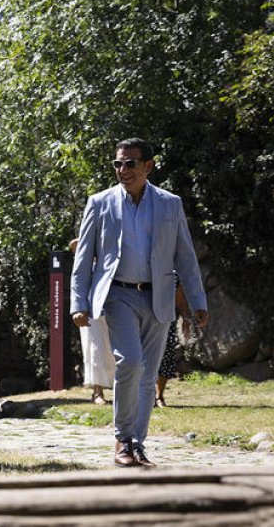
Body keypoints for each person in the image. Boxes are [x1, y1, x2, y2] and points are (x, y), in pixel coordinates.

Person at [71, 138, 209, 468]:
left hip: (158, 297)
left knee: (147, 375)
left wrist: (196, 300)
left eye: (130, 163)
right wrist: (79, 301)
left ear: (148, 166)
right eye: (118, 164)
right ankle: (121, 437)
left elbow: (185, 257)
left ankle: (137, 443)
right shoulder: (100, 203)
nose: (123, 170)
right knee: (129, 361)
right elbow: (83, 257)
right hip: (118, 294)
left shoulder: (169, 204)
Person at [70, 238, 113, 405]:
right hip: (90, 312)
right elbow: (73, 244)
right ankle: (97, 392)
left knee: (112, 350)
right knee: (95, 350)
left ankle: (120, 390)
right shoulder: (83, 264)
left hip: (111, 308)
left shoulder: (108, 261)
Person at [155, 284, 193, 407]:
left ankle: (159, 395)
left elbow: (180, 301)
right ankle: (145, 395)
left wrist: (186, 320)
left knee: (166, 354)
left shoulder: (174, 275)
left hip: (168, 320)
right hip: (145, 317)